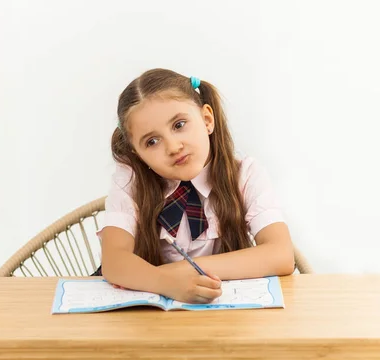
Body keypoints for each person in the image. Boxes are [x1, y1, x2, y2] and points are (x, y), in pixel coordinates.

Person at [95, 68, 295, 304]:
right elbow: (114, 262)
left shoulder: (245, 175)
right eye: (152, 141)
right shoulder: (131, 182)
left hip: (225, 313)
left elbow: (280, 254)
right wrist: (167, 283)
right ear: (138, 155)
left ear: (207, 120)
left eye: (179, 125)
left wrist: (185, 271)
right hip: (149, 319)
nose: (172, 146)